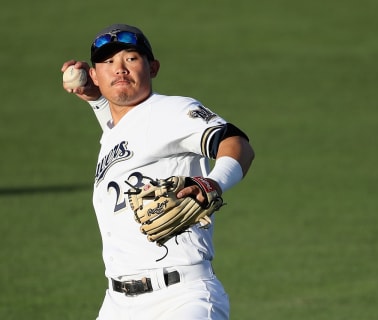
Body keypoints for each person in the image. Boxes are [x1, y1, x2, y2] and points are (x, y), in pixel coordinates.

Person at [61, 24, 254, 320]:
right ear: (95, 75)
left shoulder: (173, 111)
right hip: (117, 305)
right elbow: (131, 131)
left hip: (180, 299)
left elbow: (235, 142)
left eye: (131, 58)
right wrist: (96, 97)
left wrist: (211, 182)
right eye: (108, 62)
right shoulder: (115, 131)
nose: (120, 69)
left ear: (153, 67)